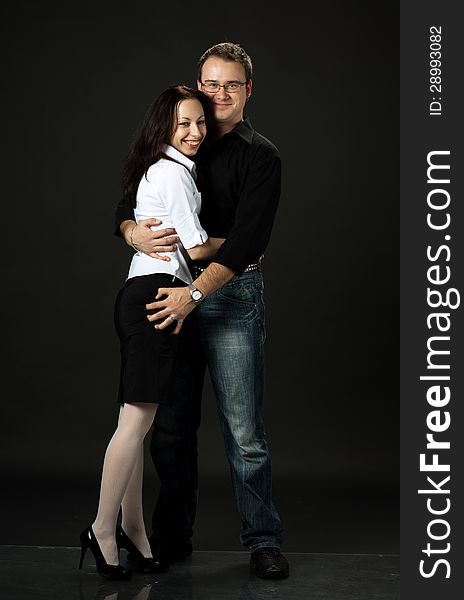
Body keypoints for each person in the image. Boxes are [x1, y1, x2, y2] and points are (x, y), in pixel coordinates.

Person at [115, 42, 289, 579]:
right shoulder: (178, 135)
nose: (219, 95)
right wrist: (131, 231)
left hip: (229, 298)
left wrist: (195, 291)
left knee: (244, 432)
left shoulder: (261, 155)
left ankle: (262, 539)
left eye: (231, 84)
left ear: (248, 90)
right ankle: (173, 536)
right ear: (198, 84)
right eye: (211, 83)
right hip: (171, 294)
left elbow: (246, 244)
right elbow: (130, 201)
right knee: (170, 427)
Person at [79, 85, 223, 580]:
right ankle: (101, 530)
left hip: (143, 296)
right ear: (163, 126)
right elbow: (199, 248)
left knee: (135, 423)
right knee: (134, 426)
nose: (195, 132)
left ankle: (136, 534)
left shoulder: (163, 169)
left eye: (200, 122)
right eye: (183, 123)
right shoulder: (170, 173)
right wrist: (247, 240)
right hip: (154, 298)